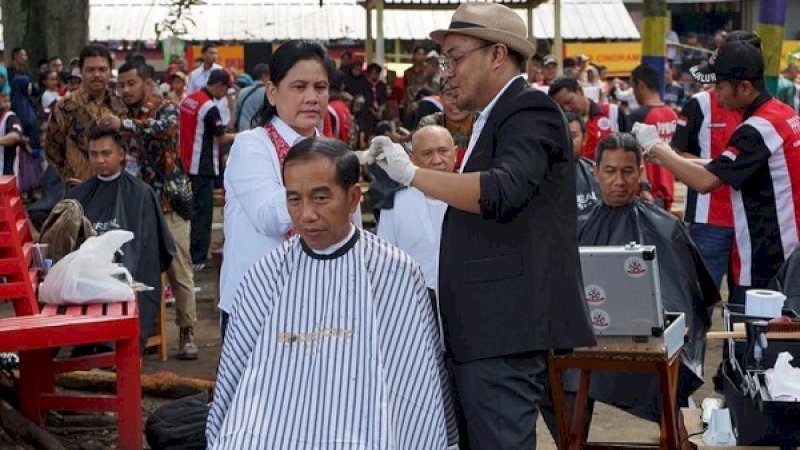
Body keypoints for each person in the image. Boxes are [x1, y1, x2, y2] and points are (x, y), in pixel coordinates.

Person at [368, 3, 596, 447]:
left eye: (455, 57)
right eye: (443, 60)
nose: (446, 72)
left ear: (496, 54)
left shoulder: (530, 109)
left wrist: (412, 175)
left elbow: (501, 190)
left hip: (504, 331)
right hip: (485, 331)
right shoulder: (491, 118)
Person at [207, 137, 457, 449]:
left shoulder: (396, 273)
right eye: (294, 199)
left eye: (321, 198)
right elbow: (233, 374)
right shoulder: (265, 274)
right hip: (276, 431)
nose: (306, 214)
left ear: (354, 198)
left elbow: (419, 378)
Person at [632, 39, 800, 304]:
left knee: (760, 339)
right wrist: (665, 157)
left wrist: (655, 145)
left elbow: (707, 180)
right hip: (782, 249)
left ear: (744, 87)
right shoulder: (782, 113)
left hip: (770, 256)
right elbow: (720, 165)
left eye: (720, 86)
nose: (716, 93)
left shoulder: (757, 128)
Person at [577, 132, 719, 421]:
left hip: (648, 344)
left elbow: (689, 297)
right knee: (550, 380)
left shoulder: (666, 228)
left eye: (628, 171)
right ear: (595, 172)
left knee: (673, 380)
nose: (619, 181)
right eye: (610, 171)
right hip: (588, 340)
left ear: (640, 172)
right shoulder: (575, 226)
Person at [220, 40, 336, 337]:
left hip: (323, 305)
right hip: (257, 308)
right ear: (272, 92)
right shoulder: (251, 146)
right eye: (299, 87)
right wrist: (327, 184)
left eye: (320, 87)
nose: (312, 97)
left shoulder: (334, 152)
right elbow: (269, 217)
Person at [116, 61, 199, 359]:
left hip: (169, 202)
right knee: (138, 271)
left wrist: (123, 125)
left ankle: (187, 331)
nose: (125, 90)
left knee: (179, 270)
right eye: (121, 85)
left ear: (148, 83)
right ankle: (146, 332)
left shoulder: (166, 108)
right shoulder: (120, 114)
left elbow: (162, 131)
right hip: (135, 206)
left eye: (131, 83)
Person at [67, 124, 174, 352]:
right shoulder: (79, 195)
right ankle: (87, 340)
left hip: (129, 269)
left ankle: (113, 342)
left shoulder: (141, 194)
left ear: (121, 154)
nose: (99, 160)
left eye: (106, 153)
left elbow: (149, 248)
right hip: (88, 272)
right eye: (94, 154)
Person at [671, 31, 760, 290]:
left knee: (749, 301)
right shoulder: (699, 104)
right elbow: (677, 152)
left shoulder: (764, 109)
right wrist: (718, 167)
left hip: (751, 220)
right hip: (709, 220)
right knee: (700, 298)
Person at [377, 125, 454, 301]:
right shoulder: (395, 204)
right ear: (413, 160)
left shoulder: (471, 198)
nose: (437, 160)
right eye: (427, 153)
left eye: (443, 151)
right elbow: (384, 264)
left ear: (455, 153)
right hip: (412, 303)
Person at [46, 44, 127, 187]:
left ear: (109, 72)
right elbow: (52, 149)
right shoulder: (65, 106)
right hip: (78, 188)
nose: (97, 75)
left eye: (102, 69)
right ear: (81, 72)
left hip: (116, 187)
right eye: (90, 70)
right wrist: (69, 176)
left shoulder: (121, 105)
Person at [179, 69, 235, 271]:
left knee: (189, 211)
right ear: (219, 85)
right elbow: (221, 138)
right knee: (203, 214)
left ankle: (189, 254)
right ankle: (199, 257)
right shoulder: (210, 107)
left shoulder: (189, 100)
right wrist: (243, 136)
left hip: (186, 161)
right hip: (203, 165)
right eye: (226, 89)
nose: (225, 93)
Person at [625, 63, 679, 211]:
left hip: (646, 193)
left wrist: (643, 187)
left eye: (633, 87)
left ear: (641, 85)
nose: (633, 92)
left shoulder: (637, 117)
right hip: (667, 190)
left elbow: (632, 155)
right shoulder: (672, 114)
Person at [549, 76, 625, 160]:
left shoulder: (612, 112)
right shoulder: (557, 126)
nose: (566, 109)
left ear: (580, 91)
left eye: (569, 102)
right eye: (560, 106)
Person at [418, 82, 474, 170]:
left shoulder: (486, 123)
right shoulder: (430, 124)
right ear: (440, 96)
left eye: (462, 93)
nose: (455, 101)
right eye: (449, 94)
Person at [566, 112, 601, 212]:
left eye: (573, 136)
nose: (567, 141)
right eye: (562, 136)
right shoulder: (540, 177)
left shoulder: (596, 172)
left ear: (584, 138)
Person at [233, 62, 269, 131]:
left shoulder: (242, 91)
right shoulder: (266, 92)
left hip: (241, 129)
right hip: (256, 130)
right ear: (264, 76)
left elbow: (236, 112)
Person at [0, 92, 24, 175]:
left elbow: (15, 136)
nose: (7, 104)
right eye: (4, 100)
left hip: (6, 173)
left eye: (8, 101)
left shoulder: (10, 117)